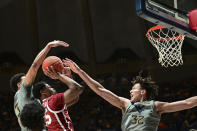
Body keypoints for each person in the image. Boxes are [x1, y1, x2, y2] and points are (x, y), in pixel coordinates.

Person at [65, 58, 197, 131]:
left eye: (133, 89)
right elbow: (99, 89)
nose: (130, 91)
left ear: (142, 92)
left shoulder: (155, 106)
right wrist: (80, 71)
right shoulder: (125, 104)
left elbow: (187, 103)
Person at [10, 40, 69, 131]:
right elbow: (34, 66)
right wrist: (48, 46)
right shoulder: (23, 91)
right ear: (19, 84)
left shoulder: (18, 100)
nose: (29, 79)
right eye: (25, 78)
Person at [33, 66, 84, 131]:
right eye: (49, 87)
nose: (52, 88)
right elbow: (78, 88)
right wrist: (59, 76)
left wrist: (69, 77)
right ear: (43, 92)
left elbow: (75, 98)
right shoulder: (53, 100)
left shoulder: (43, 107)